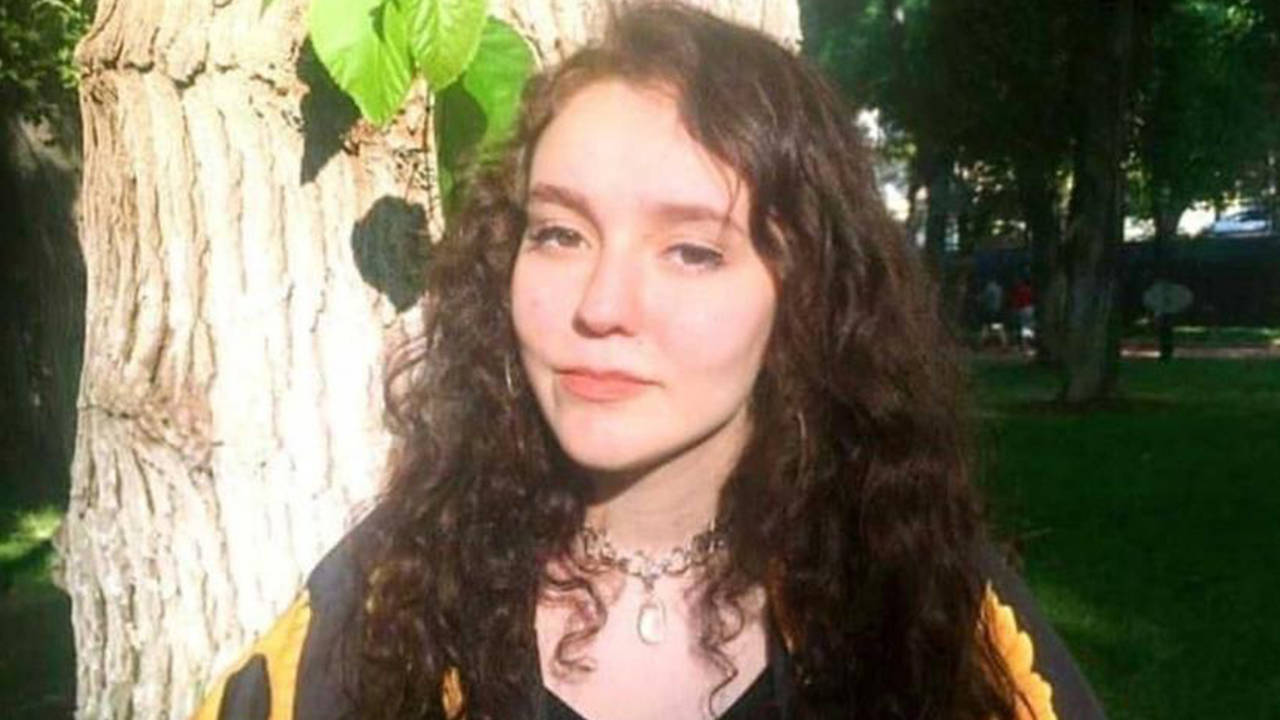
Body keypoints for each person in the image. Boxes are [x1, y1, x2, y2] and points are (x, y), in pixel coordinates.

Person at [193, 4, 1104, 719]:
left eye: (691, 251)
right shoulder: (377, 616)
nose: (601, 306)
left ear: (807, 293)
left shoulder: (934, 622)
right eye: (560, 233)